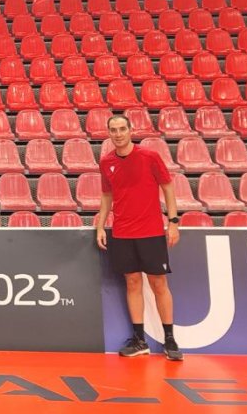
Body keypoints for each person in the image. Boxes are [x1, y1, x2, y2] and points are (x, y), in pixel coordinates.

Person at [93, 114, 182, 361]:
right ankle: (139, 340)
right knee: (132, 283)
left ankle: (170, 339)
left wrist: (173, 222)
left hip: (151, 231)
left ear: (130, 130)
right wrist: (100, 226)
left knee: (158, 284)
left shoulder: (149, 156)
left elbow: (168, 187)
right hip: (122, 232)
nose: (118, 134)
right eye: (113, 130)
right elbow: (106, 196)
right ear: (109, 133)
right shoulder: (106, 163)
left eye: (122, 129)